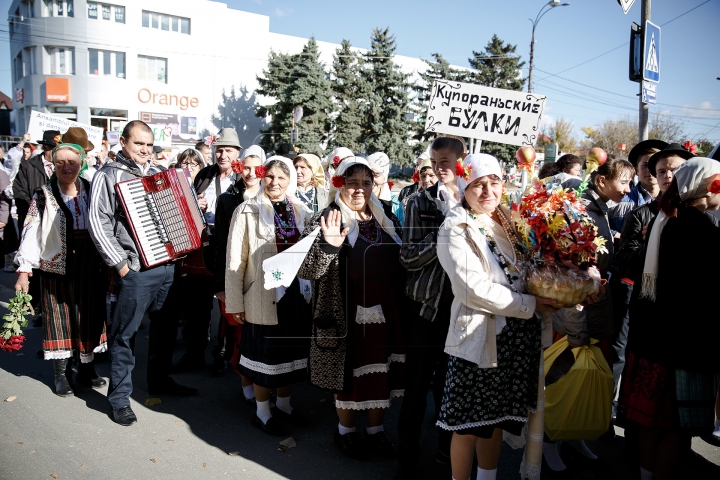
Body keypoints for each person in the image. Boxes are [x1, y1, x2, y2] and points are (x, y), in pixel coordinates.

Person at [435, 153, 559, 480]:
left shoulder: (510, 221)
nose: (488, 190)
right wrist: (530, 304)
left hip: (515, 340)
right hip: (480, 341)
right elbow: (472, 290)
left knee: (495, 422)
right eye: (478, 184)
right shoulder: (455, 227)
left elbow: (529, 268)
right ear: (465, 188)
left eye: (494, 182)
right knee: (466, 426)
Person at [619, 157, 720, 480]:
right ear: (710, 187)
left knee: (651, 423)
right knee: (678, 429)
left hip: (652, 341)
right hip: (685, 347)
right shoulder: (701, 230)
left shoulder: (665, 221)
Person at [297, 157, 404, 460]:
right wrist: (329, 246)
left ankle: (375, 431)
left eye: (365, 183)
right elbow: (306, 269)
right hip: (344, 313)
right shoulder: (326, 217)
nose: (359, 189)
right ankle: (344, 432)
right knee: (348, 375)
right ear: (339, 183)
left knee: (380, 373)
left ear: (374, 185)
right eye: (352, 182)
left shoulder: (387, 217)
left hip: (385, 312)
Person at [89, 120, 192, 426]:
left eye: (149, 145)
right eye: (139, 144)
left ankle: (160, 380)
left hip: (167, 266)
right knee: (125, 336)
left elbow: (176, 211)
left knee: (164, 330)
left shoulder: (160, 172)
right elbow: (99, 222)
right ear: (123, 142)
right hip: (136, 269)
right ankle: (119, 399)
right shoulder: (108, 175)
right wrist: (121, 264)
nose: (146, 151)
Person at [544, 156, 635, 473]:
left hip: (596, 312)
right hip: (575, 316)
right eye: (624, 182)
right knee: (562, 382)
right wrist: (577, 332)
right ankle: (548, 441)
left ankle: (574, 436)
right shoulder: (578, 211)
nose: (628, 189)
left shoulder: (601, 210)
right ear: (601, 182)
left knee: (582, 383)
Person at [225, 156, 313, 436]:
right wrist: (235, 302)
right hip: (262, 297)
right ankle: (262, 412)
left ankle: (284, 404)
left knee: (289, 357)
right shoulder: (247, 210)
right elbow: (234, 260)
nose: (274, 182)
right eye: (270, 176)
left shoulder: (301, 210)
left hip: (294, 296)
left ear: (290, 182)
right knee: (265, 360)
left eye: (282, 178)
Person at [14, 140, 107, 396]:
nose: (66, 167)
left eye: (72, 162)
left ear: (81, 163)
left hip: (90, 263)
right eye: (60, 162)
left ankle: (87, 368)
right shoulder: (43, 194)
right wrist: (24, 270)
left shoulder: (91, 189)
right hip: (56, 265)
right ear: (53, 165)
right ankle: (61, 374)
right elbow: (31, 231)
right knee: (59, 317)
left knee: (89, 315)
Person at [396, 135, 465, 475]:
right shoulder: (419, 202)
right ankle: (406, 455)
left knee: (450, 388)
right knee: (417, 385)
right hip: (425, 308)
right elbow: (407, 256)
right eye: (435, 161)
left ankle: (447, 452)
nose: (439, 168)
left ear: (462, 161)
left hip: (463, 313)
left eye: (446, 161)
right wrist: (444, 232)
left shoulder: (475, 201)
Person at [606, 139, 668, 424]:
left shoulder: (678, 205)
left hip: (658, 294)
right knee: (618, 349)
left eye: (658, 165)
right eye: (646, 164)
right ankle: (605, 410)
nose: (653, 171)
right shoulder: (623, 200)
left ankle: (633, 413)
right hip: (625, 283)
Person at [172, 128, 240, 372]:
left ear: (237, 153)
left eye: (228, 150)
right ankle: (194, 353)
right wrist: (196, 205)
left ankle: (223, 355)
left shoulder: (244, 178)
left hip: (231, 246)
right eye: (219, 149)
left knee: (227, 304)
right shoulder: (205, 174)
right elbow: (187, 206)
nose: (222, 155)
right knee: (196, 305)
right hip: (203, 247)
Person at [210, 144, 264, 381]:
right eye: (246, 168)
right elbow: (220, 245)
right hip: (237, 274)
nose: (251, 174)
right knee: (240, 330)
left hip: (264, 278)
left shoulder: (273, 196)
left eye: (257, 168)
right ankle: (246, 384)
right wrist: (220, 286)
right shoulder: (226, 199)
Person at [367, 152, 404, 224]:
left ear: (384, 177)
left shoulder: (395, 205)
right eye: (367, 174)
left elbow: (401, 232)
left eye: (376, 175)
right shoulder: (357, 198)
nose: (370, 180)